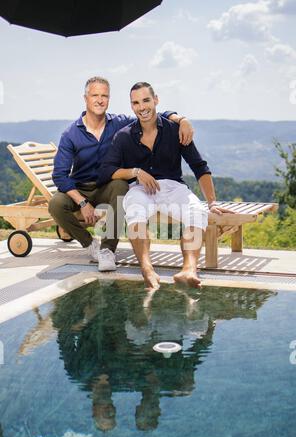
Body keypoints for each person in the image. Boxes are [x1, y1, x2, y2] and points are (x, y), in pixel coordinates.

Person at [49, 76, 194, 271]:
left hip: (108, 185)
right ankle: (90, 244)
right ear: (85, 98)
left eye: (104, 96)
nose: (100, 100)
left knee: (121, 186)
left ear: (108, 99)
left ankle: (108, 250)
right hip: (80, 188)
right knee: (55, 205)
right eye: (95, 95)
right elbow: (60, 175)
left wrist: (180, 119)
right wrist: (82, 202)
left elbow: (148, 115)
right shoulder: (70, 134)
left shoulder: (119, 123)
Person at [96, 82, 233, 288]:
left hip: (173, 187)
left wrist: (212, 202)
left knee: (197, 211)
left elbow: (199, 166)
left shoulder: (176, 130)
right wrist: (135, 172)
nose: (142, 107)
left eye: (146, 100)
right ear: (131, 106)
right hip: (140, 189)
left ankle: (189, 269)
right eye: (136, 103)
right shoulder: (124, 137)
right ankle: (147, 268)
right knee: (134, 210)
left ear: (156, 100)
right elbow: (106, 171)